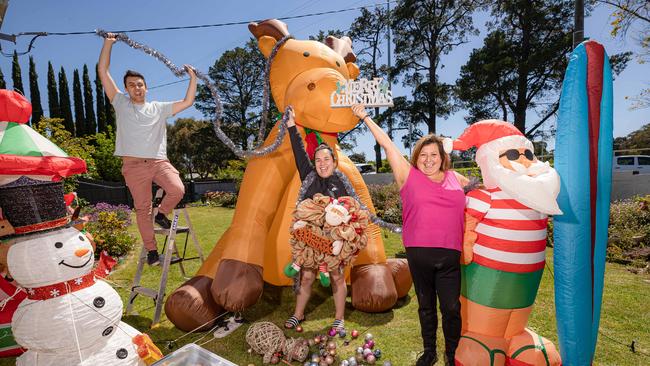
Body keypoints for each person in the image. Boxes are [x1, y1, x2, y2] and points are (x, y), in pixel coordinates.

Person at [352, 104, 468, 366]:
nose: (428, 159)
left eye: (434, 154)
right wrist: (365, 117)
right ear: (416, 157)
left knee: (451, 308)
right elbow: (387, 144)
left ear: (442, 157)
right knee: (426, 307)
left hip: (450, 256)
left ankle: (453, 355)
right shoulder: (408, 176)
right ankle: (430, 352)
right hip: (419, 254)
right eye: (423, 154)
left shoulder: (456, 179)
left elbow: (484, 191)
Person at [98, 33, 197, 266]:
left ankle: (161, 213)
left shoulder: (159, 108)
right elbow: (103, 71)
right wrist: (108, 43)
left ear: (146, 87)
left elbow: (188, 102)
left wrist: (192, 78)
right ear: (126, 89)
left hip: (159, 162)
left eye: (140, 84)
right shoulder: (120, 102)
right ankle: (152, 252)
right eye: (131, 85)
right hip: (133, 166)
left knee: (177, 189)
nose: (136, 88)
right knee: (142, 208)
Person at [283, 109, 349, 332]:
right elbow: (298, 151)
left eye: (326, 159)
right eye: (318, 160)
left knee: (337, 276)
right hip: (311, 240)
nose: (322, 164)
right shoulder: (309, 176)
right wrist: (292, 125)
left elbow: (353, 209)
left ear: (333, 161)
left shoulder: (341, 182)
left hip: (333, 241)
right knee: (307, 276)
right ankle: (298, 314)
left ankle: (339, 318)